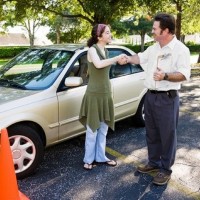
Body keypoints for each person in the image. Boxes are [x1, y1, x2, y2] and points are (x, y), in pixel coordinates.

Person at [120, 13, 191, 185]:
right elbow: (141, 57)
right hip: (150, 97)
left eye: (155, 29)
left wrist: (165, 75)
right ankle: (153, 163)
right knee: (151, 133)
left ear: (166, 30)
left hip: (167, 99)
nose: (152, 31)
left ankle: (165, 169)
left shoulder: (181, 50)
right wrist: (128, 59)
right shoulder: (155, 47)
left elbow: (184, 74)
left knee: (167, 135)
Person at [79, 24, 125, 170]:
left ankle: (100, 157)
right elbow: (98, 65)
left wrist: (120, 60)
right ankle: (88, 159)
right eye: (107, 32)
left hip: (105, 94)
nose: (110, 35)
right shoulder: (92, 50)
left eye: (109, 32)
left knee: (103, 129)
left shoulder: (105, 50)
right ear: (99, 36)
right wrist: (115, 59)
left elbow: (105, 66)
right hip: (94, 94)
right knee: (92, 129)